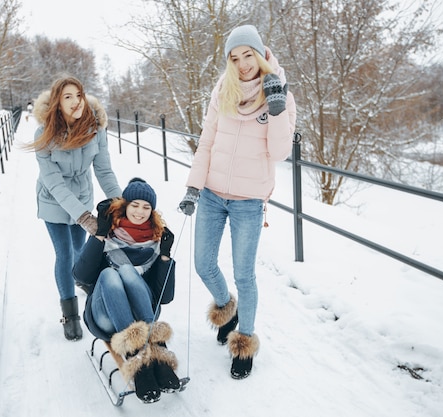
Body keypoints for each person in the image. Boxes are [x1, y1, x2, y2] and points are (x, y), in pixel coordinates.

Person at [178, 25, 297, 379]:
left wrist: (275, 109)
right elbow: (207, 142)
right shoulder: (223, 90)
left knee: (245, 275)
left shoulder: (280, 92)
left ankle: (243, 341)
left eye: (248, 55)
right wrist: (192, 187)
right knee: (203, 264)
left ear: (260, 53)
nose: (243, 64)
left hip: (248, 201)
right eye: (235, 57)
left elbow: (279, 153)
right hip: (213, 195)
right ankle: (226, 310)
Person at [27, 75, 122, 341]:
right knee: (65, 253)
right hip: (53, 201)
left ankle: (85, 283)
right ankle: (70, 313)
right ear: (57, 102)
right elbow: (54, 182)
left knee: (82, 251)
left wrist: (121, 205)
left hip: (81, 195)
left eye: (78, 95)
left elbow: (103, 170)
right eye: (67, 97)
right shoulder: (44, 133)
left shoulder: (95, 128)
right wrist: (83, 216)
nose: (75, 102)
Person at [73, 178, 180, 404]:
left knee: (129, 273)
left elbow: (165, 297)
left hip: (142, 313)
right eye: (135, 205)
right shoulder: (108, 231)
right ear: (125, 205)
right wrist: (99, 237)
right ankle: (138, 359)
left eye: (146, 207)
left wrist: (165, 256)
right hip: (104, 315)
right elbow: (80, 276)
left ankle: (157, 355)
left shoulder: (156, 239)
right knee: (110, 274)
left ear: (152, 211)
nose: (140, 211)